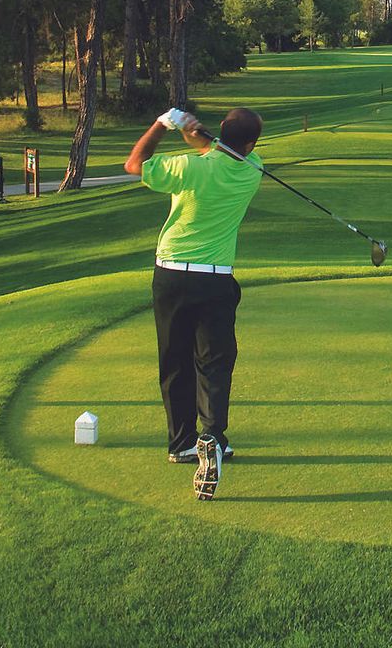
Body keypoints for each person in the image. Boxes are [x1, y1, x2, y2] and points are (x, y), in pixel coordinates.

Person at [125, 106, 265, 500]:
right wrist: (197, 133)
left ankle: (182, 443)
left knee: (174, 362)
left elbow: (135, 163)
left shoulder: (187, 168)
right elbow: (219, 149)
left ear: (221, 130)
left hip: (171, 275)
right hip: (215, 279)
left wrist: (161, 124)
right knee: (214, 363)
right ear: (251, 143)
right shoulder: (253, 167)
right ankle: (213, 437)